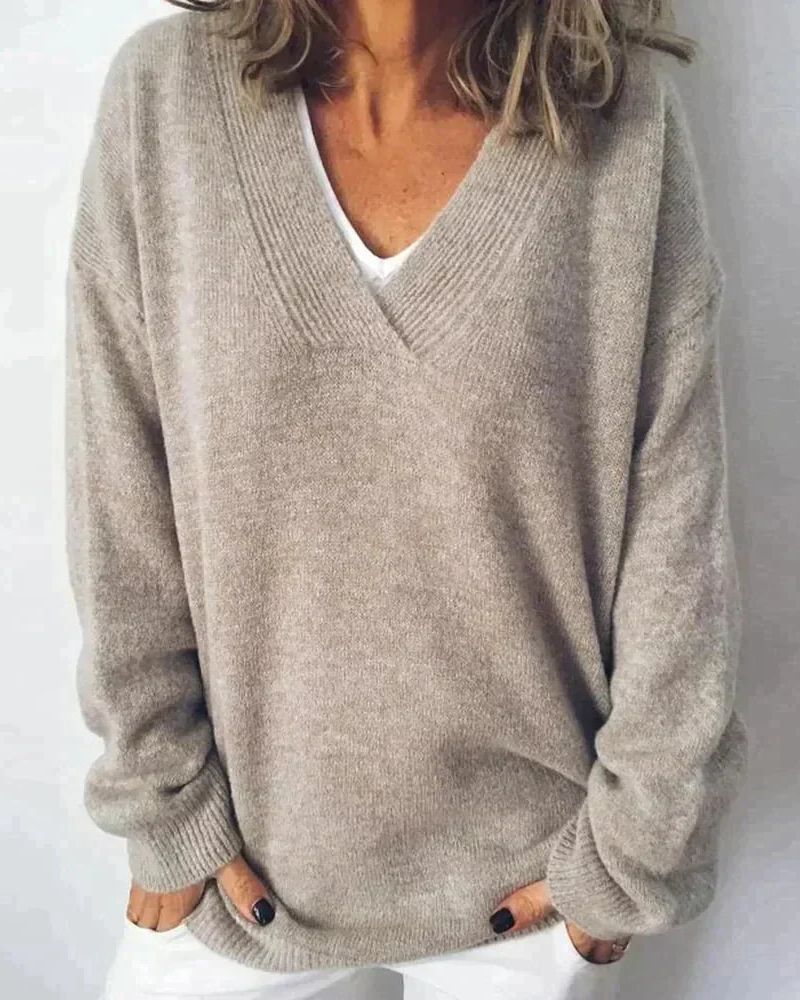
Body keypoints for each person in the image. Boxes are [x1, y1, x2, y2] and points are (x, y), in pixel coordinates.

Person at [63, 1, 750, 998]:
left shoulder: (617, 120)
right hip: (234, 871)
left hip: (534, 889)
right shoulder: (163, 102)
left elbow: (677, 533)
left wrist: (631, 858)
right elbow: (119, 493)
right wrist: (162, 804)